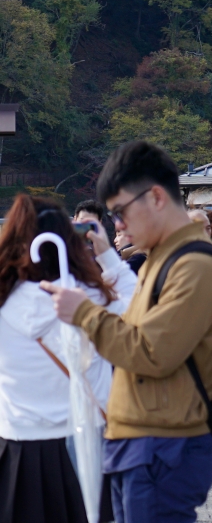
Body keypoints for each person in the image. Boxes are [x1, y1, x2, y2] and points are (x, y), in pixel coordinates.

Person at [43, 140, 212, 523]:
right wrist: (105, 258)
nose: (118, 225)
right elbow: (134, 320)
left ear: (156, 198)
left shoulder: (193, 266)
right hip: (144, 441)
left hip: (164, 445)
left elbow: (151, 352)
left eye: (120, 212)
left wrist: (83, 312)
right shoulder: (163, 258)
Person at [1, 195, 136, 523]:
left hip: (17, 448)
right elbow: (142, 310)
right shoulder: (91, 298)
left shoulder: (4, 302)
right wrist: (109, 258)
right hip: (88, 445)